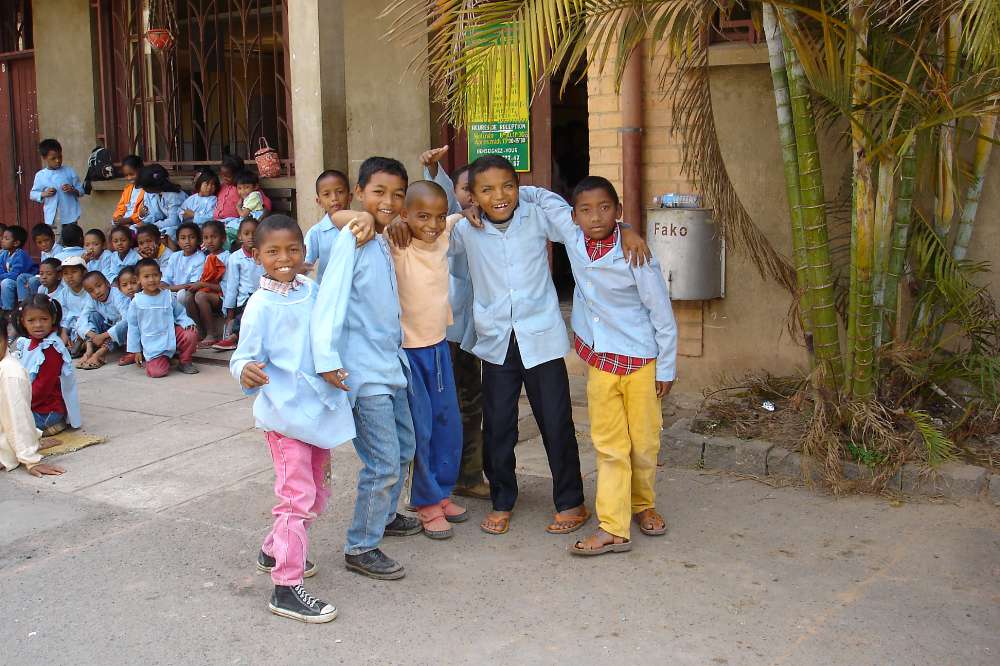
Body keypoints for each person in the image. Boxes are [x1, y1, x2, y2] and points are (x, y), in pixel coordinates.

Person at [444, 155, 649, 536]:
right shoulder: (466, 230)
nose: (499, 196)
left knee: (556, 422)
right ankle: (502, 499)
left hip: (541, 338)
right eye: (486, 190)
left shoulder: (536, 216)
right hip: (497, 341)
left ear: (519, 187)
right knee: (498, 427)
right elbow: (432, 241)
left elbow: (584, 224)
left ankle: (571, 502)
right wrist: (456, 214)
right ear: (472, 196)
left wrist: (625, 229)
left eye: (508, 186)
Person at [231, 214, 363, 624]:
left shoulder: (309, 289)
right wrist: (245, 370)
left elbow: (327, 334)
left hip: (318, 412)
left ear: (304, 252)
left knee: (318, 492)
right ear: (257, 256)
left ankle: (274, 549)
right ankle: (286, 587)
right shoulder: (259, 306)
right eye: (273, 251)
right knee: (296, 498)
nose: (284, 258)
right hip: (284, 417)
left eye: (292, 249)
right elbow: (242, 356)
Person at [536, 177, 677, 555]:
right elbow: (538, 196)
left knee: (644, 443)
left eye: (604, 208)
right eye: (585, 210)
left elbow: (661, 314)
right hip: (601, 361)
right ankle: (613, 526)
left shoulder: (635, 254)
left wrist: (666, 367)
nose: (595, 217)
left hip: (641, 360)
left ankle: (643, 504)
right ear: (574, 216)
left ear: (618, 211)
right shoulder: (572, 236)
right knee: (610, 445)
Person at [311, 156, 418, 580]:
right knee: (383, 462)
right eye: (378, 192)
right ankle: (361, 545)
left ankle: (385, 515)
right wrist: (326, 360)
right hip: (363, 373)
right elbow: (330, 299)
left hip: (390, 365)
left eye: (397, 194)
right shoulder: (352, 239)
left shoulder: (380, 238)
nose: (389, 201)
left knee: (404, 448)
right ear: (359, 193)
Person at [385, 181, 465, 538]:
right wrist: (394, 224)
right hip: (410, 352)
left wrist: (468, 213)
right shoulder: (397, 243)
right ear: (405, 215)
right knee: (422, 430)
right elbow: (363, 223)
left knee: (448, 424)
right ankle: (425, 502)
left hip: (438, 347)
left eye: (438, 216)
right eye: (422, 216)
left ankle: (442, 492)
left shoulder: (443, 233)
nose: (432, 224)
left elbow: (460, 216)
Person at [419, 146, 487, 499]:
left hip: (474, 336)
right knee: (437, 410)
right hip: (444, 334)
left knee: (471, 406)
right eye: (465, 189)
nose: (471, 196)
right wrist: (435, 170)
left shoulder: (490, 226)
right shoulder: (448, 225)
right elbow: (444, 199)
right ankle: (429, 483)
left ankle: (469, 476)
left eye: (478, 189)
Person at [0, 311, 65, 477]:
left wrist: (31, 460)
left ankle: (25, 444)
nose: (38, 325)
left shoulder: (10, 373)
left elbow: (18, 417)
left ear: (5, 338)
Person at [12, 294, 82, 437]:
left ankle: (51, 425)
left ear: (53, 319)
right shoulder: (27, 343)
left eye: (44, 319)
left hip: (47, 411)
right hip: (34, 402)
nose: (38, 325)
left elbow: (42, 388)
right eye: (31, 320)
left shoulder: (51, 349)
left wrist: (19, 404)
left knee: (8, 424)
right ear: (23, 322)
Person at [125, 258, 199, 378]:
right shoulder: (137, 301)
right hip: (153, 343)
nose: (151, 280)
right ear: (138, 279)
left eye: (155, 275)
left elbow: (180, 313)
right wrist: (136, 350)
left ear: (160, 275)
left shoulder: (168, 296)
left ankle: (185, 361)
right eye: (146, 276)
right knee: (157, 372)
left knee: (190, 333)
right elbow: (133, 327)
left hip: (170, 335)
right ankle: (161, 359)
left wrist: (187, 322)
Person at [213, 218, 262, 351]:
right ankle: (233, 337)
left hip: (262, 298)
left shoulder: (264, 254)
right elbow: (232, 287)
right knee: (249, 310)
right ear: (240, 236)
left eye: (255, 233)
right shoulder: (235, 258)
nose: (251, 237)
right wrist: (230, 312)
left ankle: (236, 338)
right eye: (246, 233)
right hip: (244, 301)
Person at [29, 138, 85, 244]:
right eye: (53, 158)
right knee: (56, 243)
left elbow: (81, 190)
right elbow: (32, 194)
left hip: (70, 215)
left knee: (72, 241)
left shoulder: (69, 171)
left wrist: (73, 190)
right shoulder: (41, 175)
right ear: (44, 158)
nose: (58, 161)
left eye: (60, 157)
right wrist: (44, 193)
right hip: (53, 217)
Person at [75, 271, 130, 370]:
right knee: (92, 316)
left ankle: (99, 354)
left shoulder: (117, 295)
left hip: (123, 332)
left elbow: (127, 320)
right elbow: (81, 319)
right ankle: (89, 351)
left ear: (107, 283)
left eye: (99, 286)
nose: (97, 292)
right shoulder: (92, 300)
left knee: (122, 326)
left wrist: (103, 336)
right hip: (106, 328)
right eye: (91, 290)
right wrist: (93, 336)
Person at [186, 220, 229, 345]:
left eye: (214, 237)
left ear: (223, 238)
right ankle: (200, 330)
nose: (210, 241)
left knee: (200, 296)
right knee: (189, 296)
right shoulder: (207, 257)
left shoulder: (228, 257)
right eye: (206, 237)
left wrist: (202, 285)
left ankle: (211, 334)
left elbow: (226, 287)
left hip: (222, 297)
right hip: (209, 292)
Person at [304, 169, 352, 280]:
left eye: (340, 192)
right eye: (327, 194)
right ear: (319, 201)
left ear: (350, 197)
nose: (334, 198)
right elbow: (305, 264)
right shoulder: (316, 232)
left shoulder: (360, 227)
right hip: (327, 289)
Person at [137, 164, 188, 243]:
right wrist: (144, 222)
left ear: (153, 186)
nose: (143, 189)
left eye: (144, 187)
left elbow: (174, 221)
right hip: (167, 224)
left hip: (182, 226)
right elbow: (157, 214)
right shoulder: (157, 193)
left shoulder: (174, 196)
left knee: (168, 234)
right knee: (134, 229)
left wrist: (151, 226)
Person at [50, 255, 89, 356]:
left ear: (84, 273)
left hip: (87, 326)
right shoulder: (64, 292)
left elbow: (88, 314)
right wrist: (64, 332)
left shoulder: (89, 290)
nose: (69, 276)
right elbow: (64, 315)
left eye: (74, 272)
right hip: (71, 328)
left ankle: (81, 345)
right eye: (65, 273)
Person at [161, 221, 206, 309]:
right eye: (183, 238)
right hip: (171, 291)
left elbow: (192, 285)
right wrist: (161, 285)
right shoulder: (175, 256)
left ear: (198, 240)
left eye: (192, 237)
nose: (187, 241)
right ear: (178, 241)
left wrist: (168, 289)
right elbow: (166, 279)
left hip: (188, 293)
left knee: (182, 295)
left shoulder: (200, 258)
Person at [0, 225, 38, 314]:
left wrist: (1, 277)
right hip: (11, 279)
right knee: (5, 281)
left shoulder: (20, 255)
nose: (2, 240)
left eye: (6, 239)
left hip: (23, 281)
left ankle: (8, 311)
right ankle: (3, 309)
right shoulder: (5, 254)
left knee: (6, 283)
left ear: (16, 243)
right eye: (3, 238)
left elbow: (15, 275)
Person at [113, 265, 140, 367]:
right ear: (119, 288)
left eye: (133, 283)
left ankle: (134, 352)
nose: (129, 287)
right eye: (124, 285)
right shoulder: (126, 301)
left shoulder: (143, 298)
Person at [111, 154, 145, 227]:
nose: (129, 178)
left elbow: (144, 212)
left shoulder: (147, 191)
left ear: (141, 170)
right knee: (108, 230)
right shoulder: (127, 190)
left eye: (132, 174)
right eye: (126, 175)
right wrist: (118, 217)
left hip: (137, 222)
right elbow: (120, 208)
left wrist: (129, 220)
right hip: (124, 221)